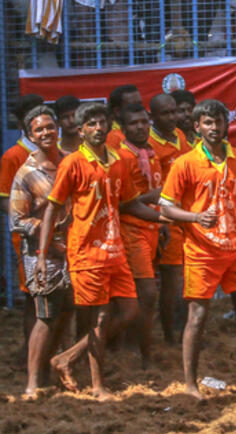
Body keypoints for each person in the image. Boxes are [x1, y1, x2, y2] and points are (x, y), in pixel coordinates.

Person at [37, 103, 167, 399]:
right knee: (100, 317)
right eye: (91, 124)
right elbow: (52, 208)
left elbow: (131, 204)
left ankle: (67, 358)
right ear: (81, 131)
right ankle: (97, 386)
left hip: (115, 250)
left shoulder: (119, 160)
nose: (98, 128)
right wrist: (43, 255)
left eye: (102, 123)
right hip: (87, 253)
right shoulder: (72, 163)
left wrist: (166, 216)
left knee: (129, 310)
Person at [158, 99, 236, 398]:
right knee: (198, 316)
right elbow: (165, 208)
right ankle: (189, 383)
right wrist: (195, 217)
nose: (214, 128)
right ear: (197, 127)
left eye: (219, 122)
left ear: (227, 124)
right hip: (202, 251)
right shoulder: (185, 163)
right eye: (208, 123)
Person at [8, 106, 71, 397]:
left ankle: (52, 370)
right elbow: (17, 221)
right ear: (30, 136)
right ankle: (33, 383)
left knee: (65, 313)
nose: (46, 132)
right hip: (42, 255)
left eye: (49, 126)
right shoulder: (26, 173)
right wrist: (49, 228)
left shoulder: (70, 163)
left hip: (74, 251)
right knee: (45, 316)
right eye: (38, 130)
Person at [117, 103, 166, 368]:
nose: (140, 127)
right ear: (123, 128)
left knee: (141, 295)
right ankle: (141, 354)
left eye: (144, 122)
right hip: (132, 231)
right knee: (146, 294)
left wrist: (163, 224)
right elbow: (121, 203)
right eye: (134, 123)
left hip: (153, 230)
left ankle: (134, 347)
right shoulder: (122, 157)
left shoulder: (150, 153)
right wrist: (150, 199)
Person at [1, 94, 45, 359]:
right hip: (29, 238)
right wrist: (28, 218)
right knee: (33, 298)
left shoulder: (55, 150)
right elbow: (4, 198)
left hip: (56, 234)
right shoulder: (13, 156)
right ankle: (29, 356)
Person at [149, 93, 192, 345]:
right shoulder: (150, 144)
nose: (172, 117)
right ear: (152, 116)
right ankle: (169, 337)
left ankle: (181, 330)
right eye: (165, 113)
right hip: (164, 219)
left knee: (185, 280)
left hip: (185, 217)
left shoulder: (180, 136)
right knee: (170, 281)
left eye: (174, 111)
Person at [107, 85, 143, 150]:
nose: (139, 108)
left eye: (140, 104)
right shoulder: (112, 138)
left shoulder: (145, 129)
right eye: (133, 106)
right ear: (117, 111)